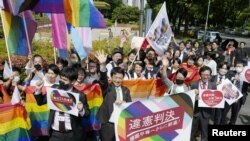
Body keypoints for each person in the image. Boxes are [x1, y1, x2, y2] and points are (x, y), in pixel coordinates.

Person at [34, 66, 90, 141]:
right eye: (60, 78)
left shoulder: (80, 95)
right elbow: (40, 102)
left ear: (73, 81)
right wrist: (38, 90)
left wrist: (81, 110)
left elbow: (87, 114)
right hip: (55, 134)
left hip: (72, 135)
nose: (61, 81)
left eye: (65, 80)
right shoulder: (54, 89)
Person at [95, 50, 132, 141]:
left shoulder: (126, 90)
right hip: (108, 123)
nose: (117, 80)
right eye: (115, 78)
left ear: (123, 78)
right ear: (111, 77)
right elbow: (103, 79)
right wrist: (103, 65)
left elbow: (130, 105)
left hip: (121, 123)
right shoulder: (107, 88)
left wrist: (124, 103)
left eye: (120, 78)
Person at [190, 66, 216, 141]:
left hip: (206, 112)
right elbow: (189, 98)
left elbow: (214, 99)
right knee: (192, 131)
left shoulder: (213, 85)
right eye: (204, 74)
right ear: (200, 74)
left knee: (204, 132)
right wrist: (194, 97)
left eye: (208, 75)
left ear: (210, 76)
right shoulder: (193, 84)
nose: (205, 77)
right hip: (195, 111)